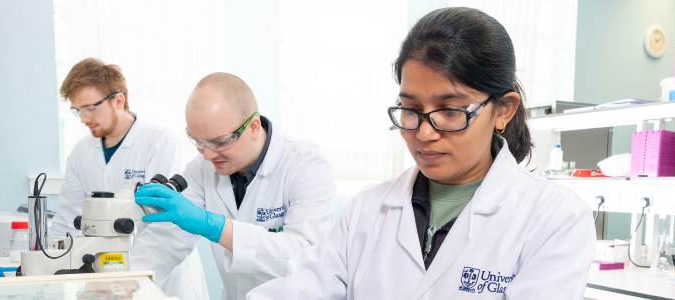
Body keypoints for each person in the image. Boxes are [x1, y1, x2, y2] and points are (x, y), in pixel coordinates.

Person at [247, 7, 595, 299]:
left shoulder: (555, 218)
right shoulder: (369, 210)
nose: (424, 133)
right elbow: (301, 289)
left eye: (451, 111)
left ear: (503, 110)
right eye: (410, 110)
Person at [131, 72, 338, 299]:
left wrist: (217, 228)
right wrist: (123, 285)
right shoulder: (201, 168)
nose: (208, 154)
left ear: (253, 127)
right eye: (199, 142)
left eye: (219, 142)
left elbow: (302, 254)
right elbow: (165, 241)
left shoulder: (307, 165)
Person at [49, 58, 209, 300]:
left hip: (164, 281)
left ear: (118, 100)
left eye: (90, 108)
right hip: (107, 281)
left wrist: (129, 276)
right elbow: (66, 220)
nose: (83, 118)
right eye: (77, 110)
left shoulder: (159, 142)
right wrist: (47, 268)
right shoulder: (80, 153)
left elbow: (169, 224)